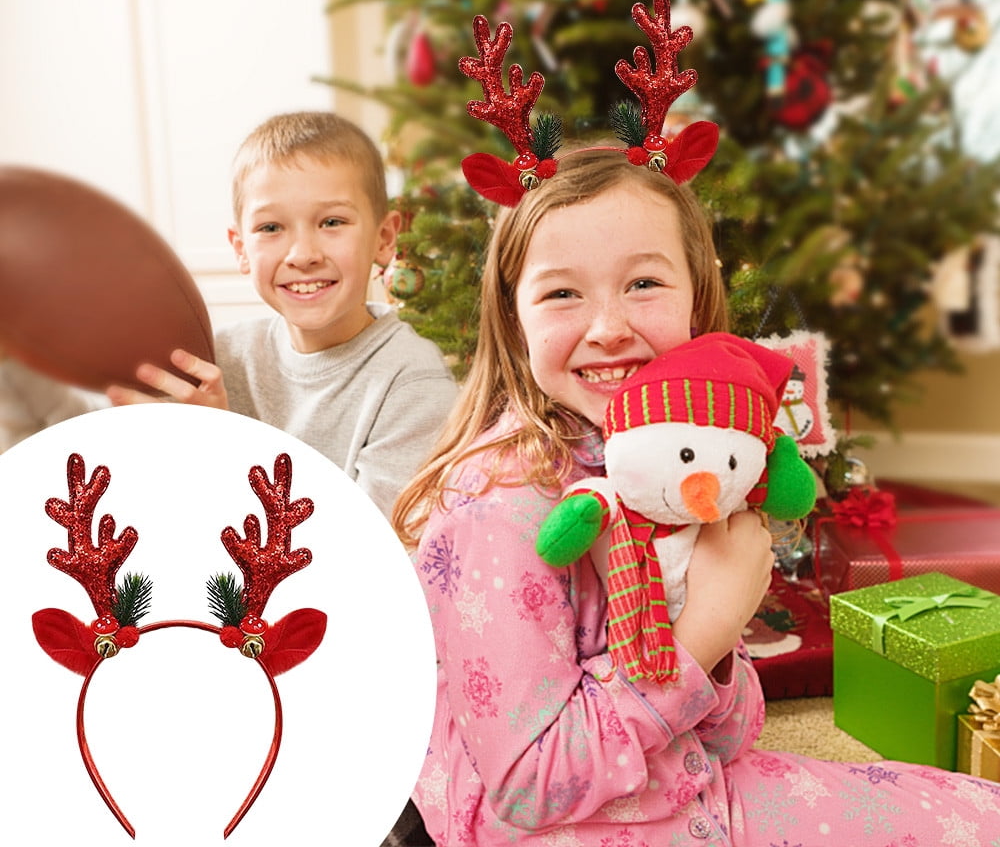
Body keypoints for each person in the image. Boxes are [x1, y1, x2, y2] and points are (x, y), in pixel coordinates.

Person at [392, 148, 1000, 845]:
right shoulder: (494, 507)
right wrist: (705, 628)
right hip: (559, 831)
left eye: (644, 283)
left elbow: (730, 735)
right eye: (562, 293)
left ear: (696, 297)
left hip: (687, 790)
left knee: (973, 814)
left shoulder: (687, 463)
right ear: (513, 314)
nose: (608, 327)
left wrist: (718, 635)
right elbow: (530, 786)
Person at [99, 110, 458, 519]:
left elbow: (368, 544)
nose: (303, 255)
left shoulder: (413, 380)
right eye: (271, 228)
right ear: (241, 249)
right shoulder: (215, 360)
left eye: (332, 222)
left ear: (384, 237)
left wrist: (223, 446)